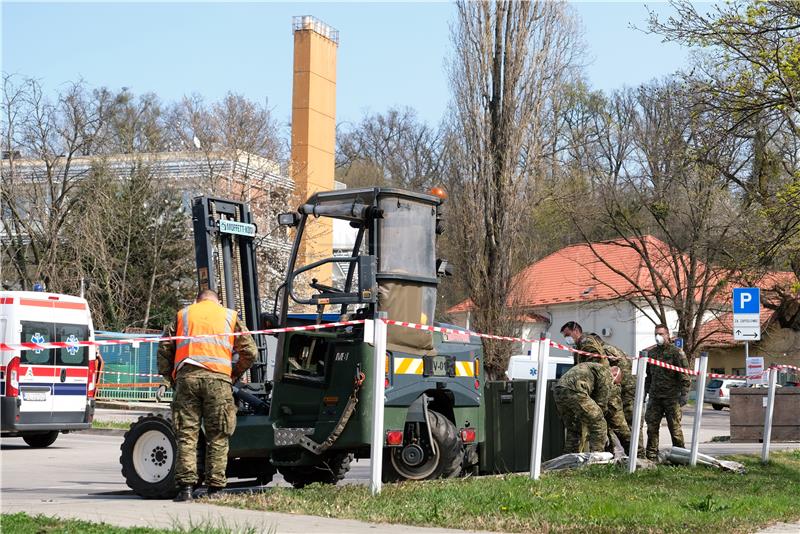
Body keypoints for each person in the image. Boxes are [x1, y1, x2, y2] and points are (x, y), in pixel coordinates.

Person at [157, 289, 257, 502]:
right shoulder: (229, 316)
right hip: (218, 380)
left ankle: (186, 489)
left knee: (187, 435)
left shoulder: (183, 315)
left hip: (187, 380)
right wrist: (234, 372)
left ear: (197, 300)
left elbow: (165, 346)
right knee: (218, 435)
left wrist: (169, 378)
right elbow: (251, 352)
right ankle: (215, 489)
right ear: (217, 301)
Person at [560, 322, 631, 454]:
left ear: (576, 330)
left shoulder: (587, 342)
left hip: (606, 390)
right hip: (597, 390)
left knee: (619, 426)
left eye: (568, 335)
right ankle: (608, 456)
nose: (567, 339)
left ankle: (637, 456)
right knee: (605, 426)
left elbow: (598, 367)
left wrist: (599, 397)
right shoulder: (579, 347)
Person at [644, 324, 691, 461]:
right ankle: (651, 456)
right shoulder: (652, 354)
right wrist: (645, 392)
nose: (658, 336)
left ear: (667, 335)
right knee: (652, 427)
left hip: (672, 397)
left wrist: (684, 393)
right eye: (656, 334)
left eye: (661, 333)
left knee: (675, 428)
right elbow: (648, 376)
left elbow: (684, 374)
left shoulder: (676, 352)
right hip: (655, 397)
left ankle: (680, 457)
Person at [553, 362, 622, 453]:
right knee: (599, 423)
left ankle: (569, 458)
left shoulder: (595, 366)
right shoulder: (607, 374)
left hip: (559, 391)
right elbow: (601, 402)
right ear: (614, 374)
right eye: (615, 383)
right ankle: (597, 458)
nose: (613, 385)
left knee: (574, 427)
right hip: (576, 390)